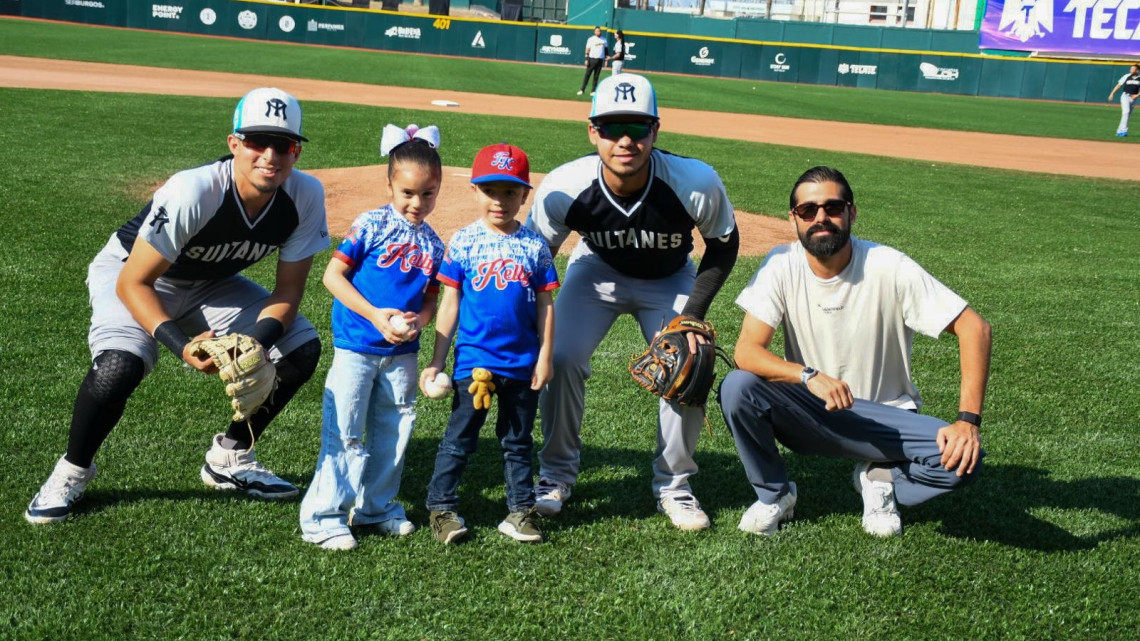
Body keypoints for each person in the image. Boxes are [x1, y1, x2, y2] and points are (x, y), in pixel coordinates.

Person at [25, 87, 328, 524]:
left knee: (299, 346)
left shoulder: (305, 196)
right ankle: (71, 471)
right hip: (134, 273)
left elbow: (288, 295)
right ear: (234, 144)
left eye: (282, 144)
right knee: (119, 367)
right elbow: (134, 281)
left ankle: (230, 457)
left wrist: (252, 344)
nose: (269, 154)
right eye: (256, 141)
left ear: (296, 151)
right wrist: (182, 345)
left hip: (212, 284)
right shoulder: (195, 189)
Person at [718, 165, 992, 537]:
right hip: (811, 412)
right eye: (807, 211)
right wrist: (808, 376)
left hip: (884, 417)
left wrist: (967, 422)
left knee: (964, 463)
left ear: (851, 212)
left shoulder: (888, 265)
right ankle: (774, 495)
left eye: (833, 207)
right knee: (737, 386)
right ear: (794, 218)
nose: (821, 218)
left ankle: (880, 476)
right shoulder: (781, 265)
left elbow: (974, 327)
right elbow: (746, 352)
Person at [525, 73, 739, 531]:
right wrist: (534, 318)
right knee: (559, 355)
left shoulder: (693, 181)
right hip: (595, 271)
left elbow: (723, 244)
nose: (625, 140)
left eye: (638, 128)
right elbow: (535, 253)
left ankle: (674, 485)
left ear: (656, 130)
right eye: (611, 127)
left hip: (668, 277)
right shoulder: (566, 185)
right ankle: (556, 475)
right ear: (592, 132)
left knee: (689, 362)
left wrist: (691, 316)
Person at [298, 125, 446, 551]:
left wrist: (418, 319)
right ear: (390, 185)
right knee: (344, 428)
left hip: (403, 353)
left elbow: (431, 297)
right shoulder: (371, 224)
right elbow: (333, 276)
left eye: (428, 193)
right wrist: (376, 316)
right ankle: (323, 516)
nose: (418, 203)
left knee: (396, 427)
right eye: (408, 193)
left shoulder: (434, 244)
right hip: (358, 345)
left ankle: (376, 507)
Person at [421, 143, 558, 544]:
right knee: (459, 438)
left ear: (524, 196)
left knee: (517, 441)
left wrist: (545, 355)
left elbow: (546, 306)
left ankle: (520, 512)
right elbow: (449, 304)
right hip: (474, 363)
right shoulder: (463, 241)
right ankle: (441, 508)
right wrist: (438, 360)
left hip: (522, 364)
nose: (500, 201)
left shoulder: (535, 247)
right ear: (475, 191)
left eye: (510, 192)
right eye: (491, 190)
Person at [1108, 64, 1140, 137]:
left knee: (1128, 115)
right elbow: (1119, 85)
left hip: (1133, 98)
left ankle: (1119, 131)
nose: (1131, 70)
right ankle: (1124, 131)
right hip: (1125, 96)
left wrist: (1137, 95)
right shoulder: (1126, 76)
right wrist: (1112, 93)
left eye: (1133, 69)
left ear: (1137, 70)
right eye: (1131, 69)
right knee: (1126, 112)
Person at [578, 26, 607, 96]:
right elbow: (587, 49)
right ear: (594, 32)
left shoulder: (604, 40)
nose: (598, 32)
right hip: (592, 59)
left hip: (600, 59)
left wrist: (606, 60)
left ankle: (593, 91)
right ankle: (582, 89)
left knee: (596, 76)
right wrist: (586, 59)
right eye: (597, 31)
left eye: (600, 31)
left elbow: (606, 50)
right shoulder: (591, 39)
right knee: (587, 75)